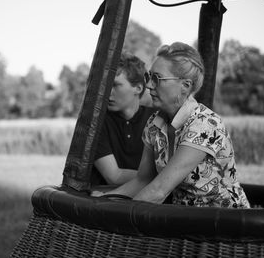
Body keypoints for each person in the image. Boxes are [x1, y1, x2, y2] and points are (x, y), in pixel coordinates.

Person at [96, 42, 250, 208]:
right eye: (149, 77)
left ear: (185, 86)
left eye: (157, 79)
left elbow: (158, 190)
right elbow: (143, 180)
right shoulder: (154, 124)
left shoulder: (204, 124)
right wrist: (104, 200)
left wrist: (116, 215)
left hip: (223, 222)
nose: (148, 85)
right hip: (181, 220)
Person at [91, 53, 155, 185]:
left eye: (115, 85)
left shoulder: (157, 119)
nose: (108, 91)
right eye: (106, 85)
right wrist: (167, 178)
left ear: (138, 88)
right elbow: (114, 176)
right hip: (105, 199)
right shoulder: (96, 122)